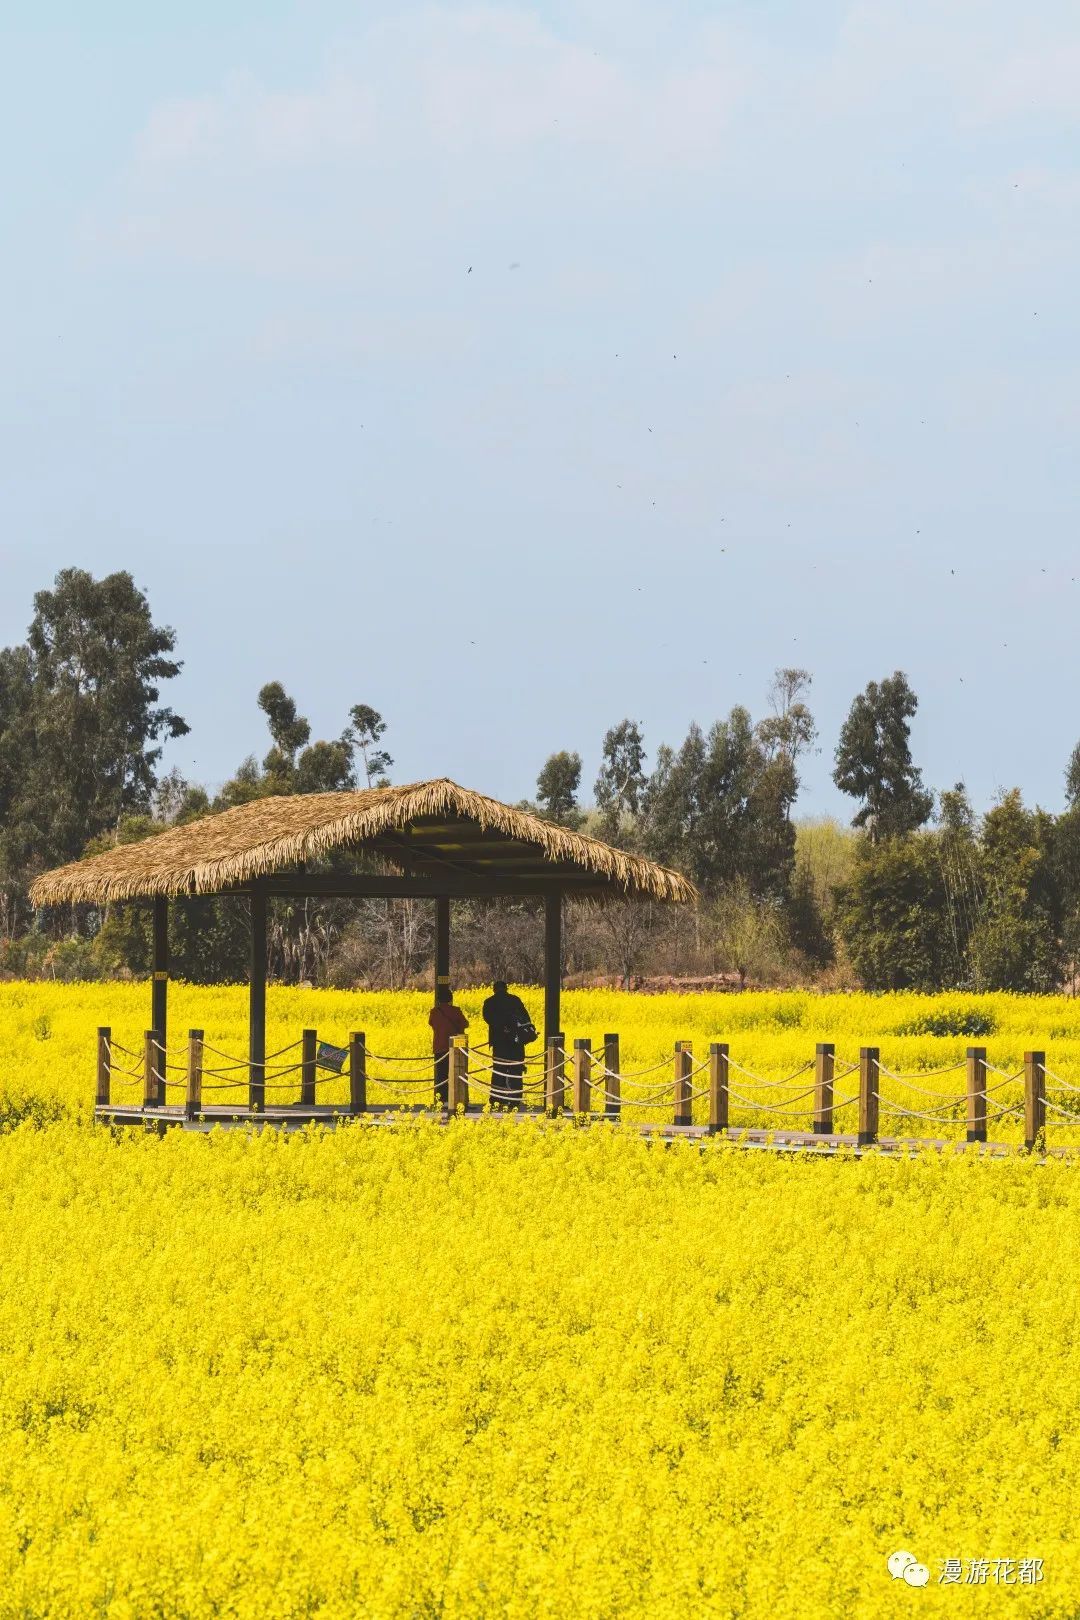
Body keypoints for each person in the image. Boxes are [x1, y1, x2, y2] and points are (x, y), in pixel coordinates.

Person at [482, 980, 536, 1108]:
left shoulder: (489, 1002)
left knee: (499, 1070)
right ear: (506, 988)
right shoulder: (515, 1000)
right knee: (516, 1070)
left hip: (499, 1041)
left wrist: (502, 1028)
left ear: (494, 989)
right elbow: (526, 1018)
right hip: (517, 1042)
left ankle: (496, 1099)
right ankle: (515, 1099)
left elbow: (488, 1019)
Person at [429, 986, 467, 1107]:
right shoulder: (456, 1011)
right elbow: (465, 1023)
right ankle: (459, 1100)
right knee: (458, 1074)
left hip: (439, 1047)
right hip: (456, 1049)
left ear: (439, 1000)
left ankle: (442, 1100)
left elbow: (431, 1023)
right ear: (451, 999)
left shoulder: (434, 1012)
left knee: (441, 1075)